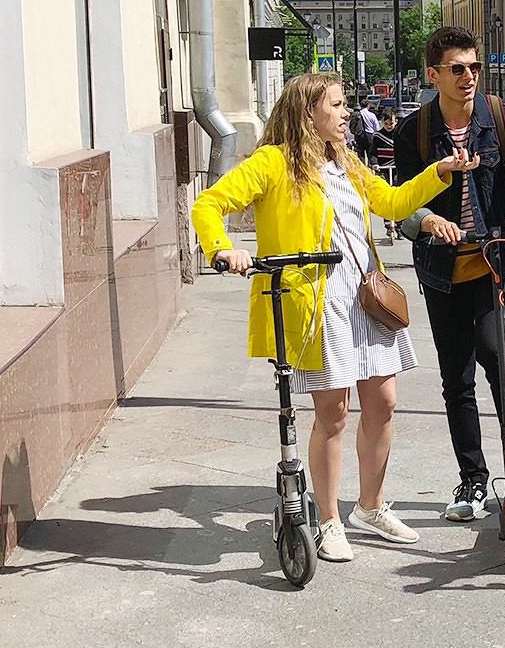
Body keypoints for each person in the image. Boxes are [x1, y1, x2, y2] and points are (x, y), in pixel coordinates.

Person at [192, 72, 478, 563]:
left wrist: (439, 172)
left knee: (384, 403)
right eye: (339, 105)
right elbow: (209, 203)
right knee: (334, 413)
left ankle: (370, 506)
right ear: (309, 113)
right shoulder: (273, 163)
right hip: (317, 302)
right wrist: (223, 251)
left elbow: (389, 202)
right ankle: (326, 520)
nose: (348, 113)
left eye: (346, 106)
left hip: (365, 296)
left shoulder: (344, 160)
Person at [394, 26, 505, 522]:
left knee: (494, 351)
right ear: (434, 75)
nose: (468, 77)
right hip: (441, 270)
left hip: (496, 258)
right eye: (457, 69)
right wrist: (427, 219)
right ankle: (471, 479)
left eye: (474, 67)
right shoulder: (416, 131)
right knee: (456, 376)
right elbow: (400, 201)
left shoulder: (502, 118)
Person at [370, 107, 401, 240]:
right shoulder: (377, 136)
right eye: (386, 124)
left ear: (396, 122)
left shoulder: (399, 135)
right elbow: (373, 152)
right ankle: (388, 225)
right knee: (386, 196)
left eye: (391, 124)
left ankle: (399, 226)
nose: (389, 126)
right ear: (382, 122)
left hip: (396, 169)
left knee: (398, 196)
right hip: (383, 169)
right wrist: (374, 163)